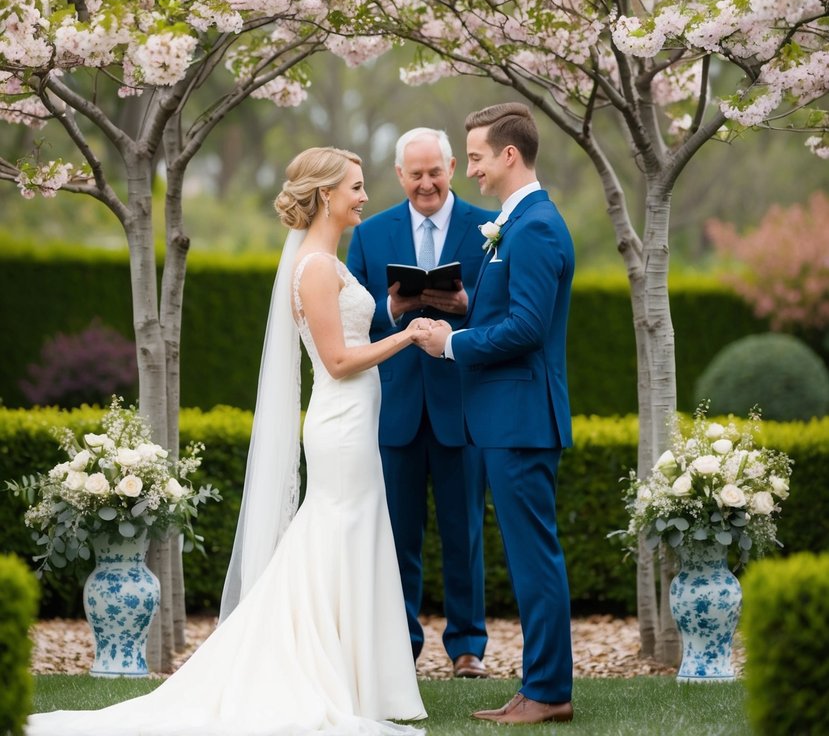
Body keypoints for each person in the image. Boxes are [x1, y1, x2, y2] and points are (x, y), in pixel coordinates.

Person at [28, 146, 426, 736]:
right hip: (340, 426)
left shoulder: (326, 261)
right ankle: (314, 672)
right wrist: (410, 336)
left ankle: (356, 678)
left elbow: (346, 334)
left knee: (349, 537)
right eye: (356, 187)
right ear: (324, 196)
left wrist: (391, 315)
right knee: (335, 536)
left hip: (353, 424)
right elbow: (339, 360)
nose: (365, 197)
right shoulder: (315, 267)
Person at [412, 104, 575, 726]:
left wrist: (450, 342)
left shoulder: (533, 225)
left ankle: (549, 693)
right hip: (506, 418)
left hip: (521, 418)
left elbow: (529, 328)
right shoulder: (518, 221)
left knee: (535, 559)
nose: (469, 169)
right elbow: (510, 307)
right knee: (531, 557)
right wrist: (466, 304)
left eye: (475, 157)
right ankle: (538, 686)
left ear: (510, 155)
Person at [346, 128, 489, 677]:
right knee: (398, 534)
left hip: (462, 401)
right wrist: (393, 306)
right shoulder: (371, 233)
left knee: (465, 532)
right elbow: (356, 315)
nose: (426, 183)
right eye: (415, 174)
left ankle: (467, 647)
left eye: (436, 171)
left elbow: (505, 309)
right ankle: (400, 644)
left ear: (452, 166)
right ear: (399, 174)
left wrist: (465, 301)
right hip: (396, 404)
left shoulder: (489, 228)